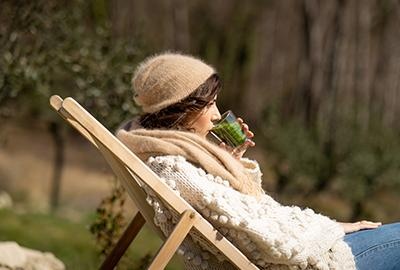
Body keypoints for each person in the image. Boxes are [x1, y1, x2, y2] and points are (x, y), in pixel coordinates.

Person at [117, 52, 400, 270]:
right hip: (317, 261)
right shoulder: (175, 170)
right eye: (209, 103)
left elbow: (247, 213)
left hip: (315, 250)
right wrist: (335, 227)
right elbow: (270, 240)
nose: (217, 114)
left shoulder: (171, 156)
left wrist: (230, 163)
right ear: (180, 108)